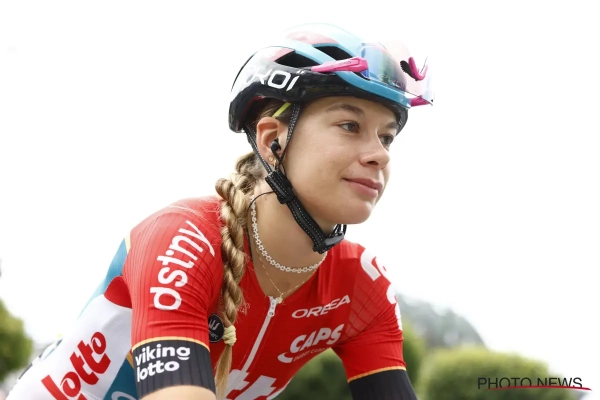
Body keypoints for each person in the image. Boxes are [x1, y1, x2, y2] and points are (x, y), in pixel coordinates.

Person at [7, 22, 433, 400]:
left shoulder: (361, 284)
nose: (380, 154)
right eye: (350, 126)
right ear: (272, 140)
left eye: (387, 137)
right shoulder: (183, 240)